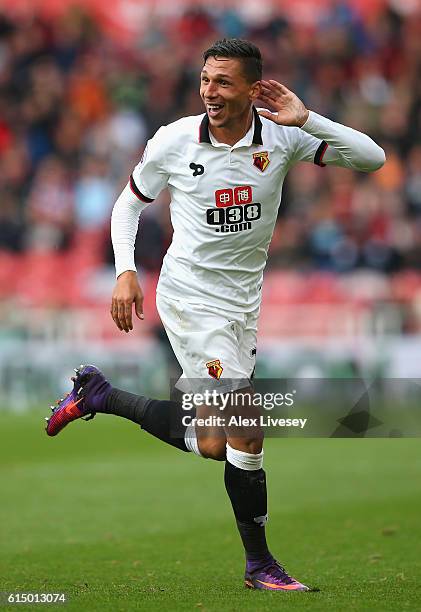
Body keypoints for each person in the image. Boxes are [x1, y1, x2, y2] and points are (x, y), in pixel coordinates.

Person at [45, 38, 385, 592]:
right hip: (188, 299)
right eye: (206, 80)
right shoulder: (175, 140)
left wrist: (310, 119)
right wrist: (125, 270)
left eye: (224, 82)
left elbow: (373, 158)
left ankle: (100, 396)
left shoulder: (282, 137)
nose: (210, 92)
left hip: (242, 305)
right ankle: (261, 567)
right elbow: (130, 202)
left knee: (213, 443)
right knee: (248, 432)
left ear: (253, 89)